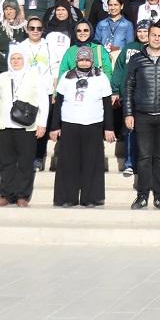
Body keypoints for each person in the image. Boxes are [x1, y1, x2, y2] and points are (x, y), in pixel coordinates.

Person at [121, 22, 160, 209]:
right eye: (153, 35)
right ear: (148, 36)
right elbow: (129, 87)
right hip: (142, 114)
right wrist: (128, 113)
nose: (156, 38)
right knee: (144, 157)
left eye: (159, 36)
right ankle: (142, 196)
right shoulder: (137, 59)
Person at [49, 47, 114, 207]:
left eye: (87, 60)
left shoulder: (101, 77)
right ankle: (66, 197)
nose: (84, 62)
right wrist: (54, 126)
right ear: (77, 60)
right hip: (70, 122)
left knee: (92, 161)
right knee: (68, 162)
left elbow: (107, 104)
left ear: (92, 61)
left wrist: (109, 127)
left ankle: (91, 197)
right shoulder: (66, 76)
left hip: (93, 123)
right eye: (81, 59)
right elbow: (58, 104)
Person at [0, 48, 49, 206]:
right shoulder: (3, 77)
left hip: (26, 127)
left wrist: (42, 123)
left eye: (19, 58)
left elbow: (43, 101)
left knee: (25, 162)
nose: (16, 61)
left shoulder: (35, 77)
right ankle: (6, 195)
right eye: (13, 58)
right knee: (6, 162)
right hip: (4, 125)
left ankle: (23, 195)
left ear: (25, 60)